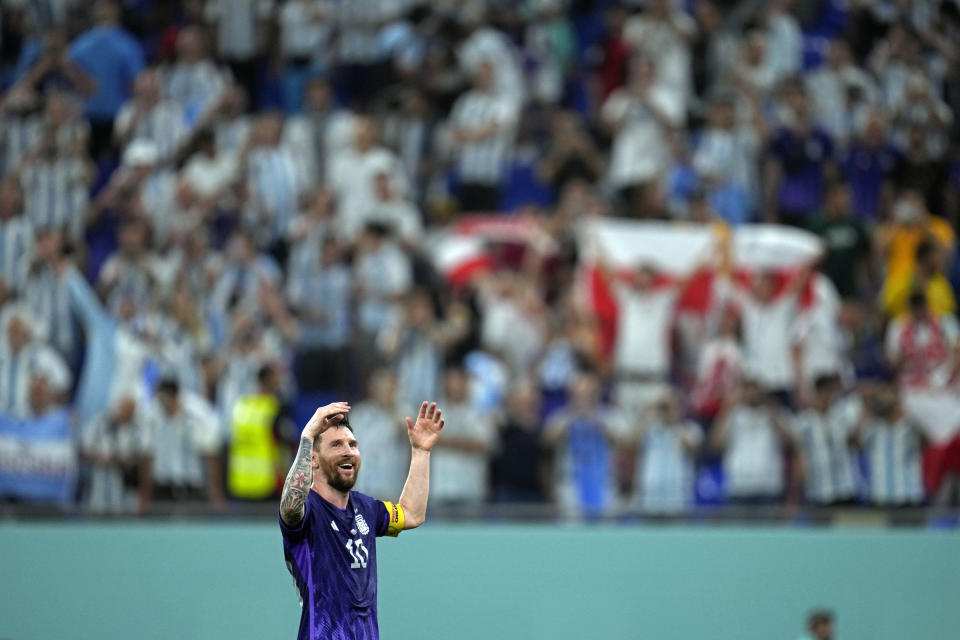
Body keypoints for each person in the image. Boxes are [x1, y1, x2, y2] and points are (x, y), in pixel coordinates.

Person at [278, 399, 445, 640]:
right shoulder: (308, 511)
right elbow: (291, 507)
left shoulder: (366, 508)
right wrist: (307, 437)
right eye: (336, 444)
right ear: (313, 459)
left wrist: (421, 452)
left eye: (353, 444)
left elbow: (412, 514)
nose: (348, 450)